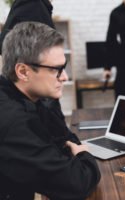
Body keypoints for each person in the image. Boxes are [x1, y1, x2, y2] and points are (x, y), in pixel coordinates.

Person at [0, 22, 100, 200]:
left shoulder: (30, 99)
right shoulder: (12, 121)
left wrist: (73, 150)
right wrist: (85, 153)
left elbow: (65, 139)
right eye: (56, 70)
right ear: (23, 71)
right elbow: (77, 183)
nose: (65, 77)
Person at [103, 0, 125, 99]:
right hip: (123, 60)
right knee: (122, 95)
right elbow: (110, 40)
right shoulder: (116, 13)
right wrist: (107, 67)